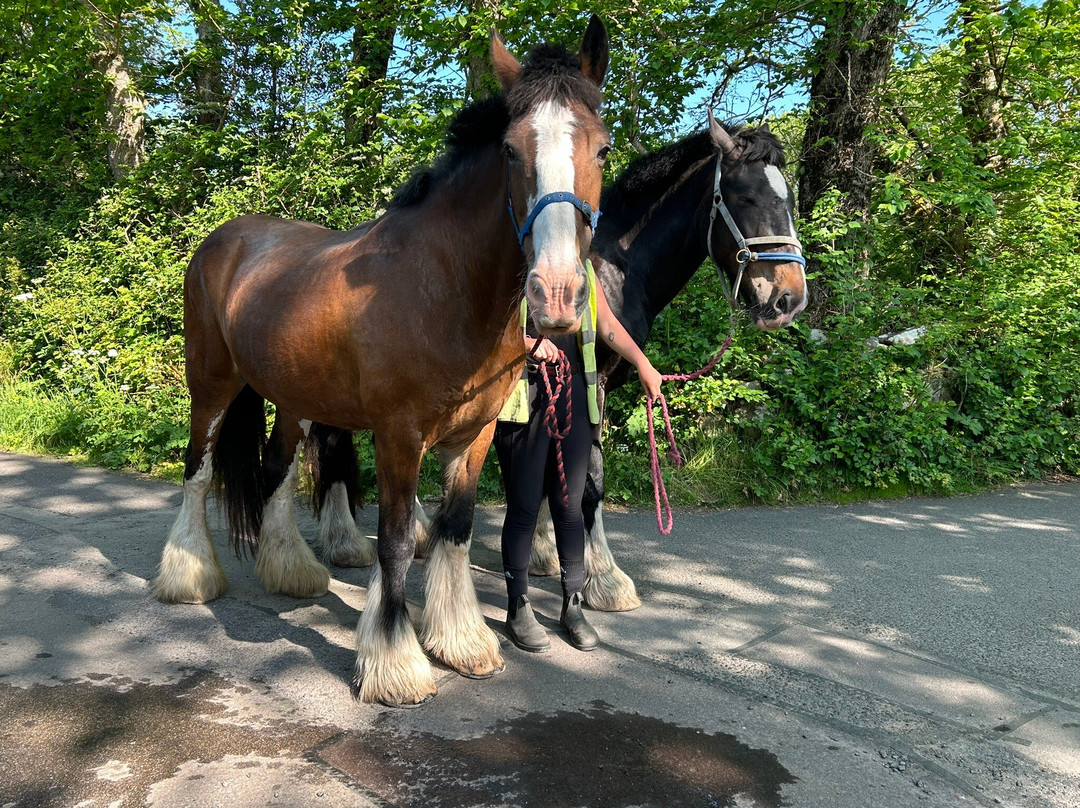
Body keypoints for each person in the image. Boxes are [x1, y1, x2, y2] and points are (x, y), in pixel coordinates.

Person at [494, 261, 662, 652]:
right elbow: (486, 329)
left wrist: (643, 363)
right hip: (525, 401)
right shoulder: (515, 265)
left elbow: (609, 326)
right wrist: (525, 343)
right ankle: (518, 607)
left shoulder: (584, 269)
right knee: (523, 508)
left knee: (569, 508)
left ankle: (572, 605)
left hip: (574, 400)